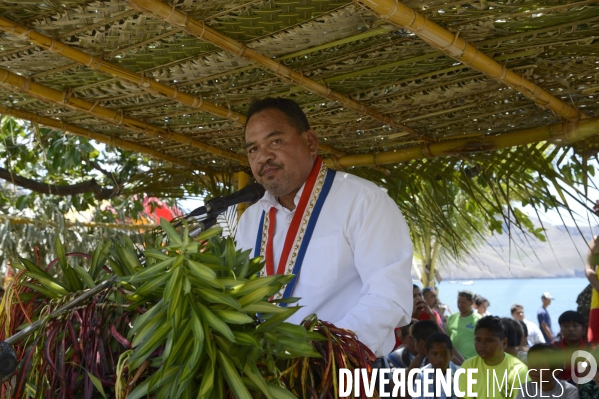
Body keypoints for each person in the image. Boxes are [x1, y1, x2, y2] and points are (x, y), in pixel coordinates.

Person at [235, 97, 413, 356]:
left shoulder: (363, 201)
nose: (263, 157)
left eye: (275, 141)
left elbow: (388, 299)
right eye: (253, 149)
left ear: (310, 142)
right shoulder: (250, 221)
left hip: (341, 375)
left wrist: (321, 356)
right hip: (268, 379)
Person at [457, 316, 529, 399]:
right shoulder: (469, 365)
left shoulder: (519, 370)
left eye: (489, 340)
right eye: (478, 340)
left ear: (504, 343)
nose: (482, 345)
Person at [412, 333, 459, 399]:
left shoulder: (460, 374)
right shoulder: (422, 374)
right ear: (427, 354)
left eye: (444, 354)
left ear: (451, 354)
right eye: (435, 354)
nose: (440, 359)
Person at [553, 310, 589, 383]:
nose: (570, 329)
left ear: (583, 330)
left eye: (575, 326)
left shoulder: (592, 349)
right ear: (561, 330)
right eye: (565, 326)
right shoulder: (552, 349)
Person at [445, 291, 481, 359]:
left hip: (471, 362)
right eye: (458, 302)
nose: (460, 305)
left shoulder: (479, 320)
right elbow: (447, 337)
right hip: (454, 361)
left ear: (471, 303)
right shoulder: (452, 318)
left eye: (463, 302)